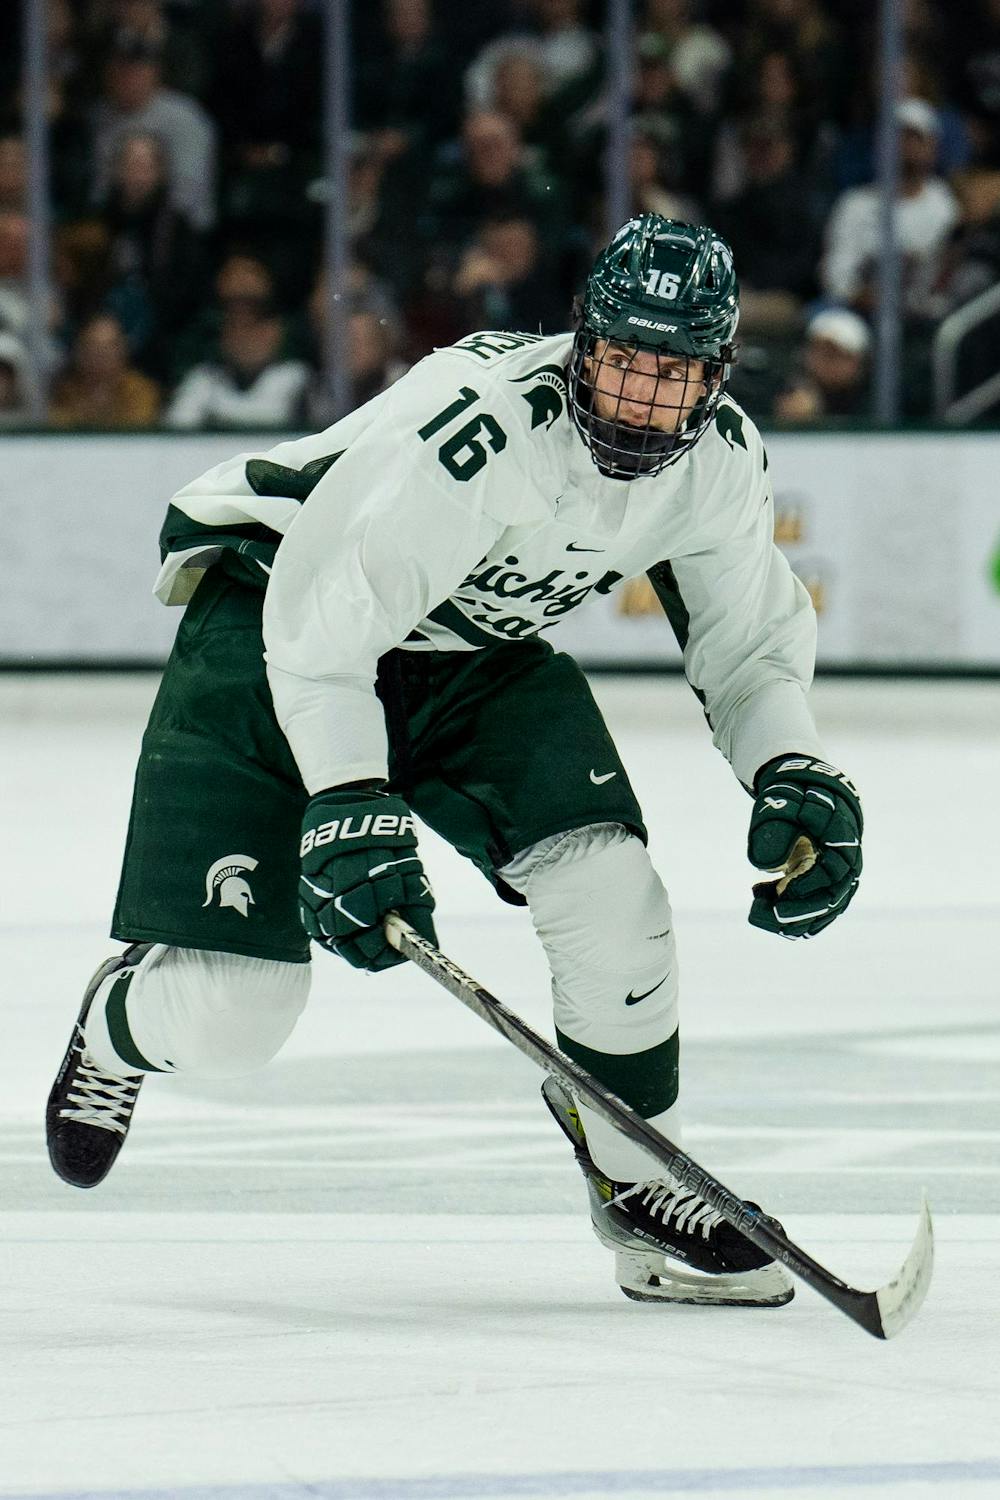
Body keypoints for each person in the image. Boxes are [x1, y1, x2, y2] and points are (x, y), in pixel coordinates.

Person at [46, 215, 863, 1309]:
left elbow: (748, 646)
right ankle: (117, 1024)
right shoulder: (481, 435)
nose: (636, 398)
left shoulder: (717, 463)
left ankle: (637, 1183)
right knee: (241, 1013)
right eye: (620, 361)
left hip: (469, 651)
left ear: (715, 375)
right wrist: (348, 798)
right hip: (280, 618)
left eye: (669, 375)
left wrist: (791, 767)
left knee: (611, 886)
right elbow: (323, 629)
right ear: (582, 344)